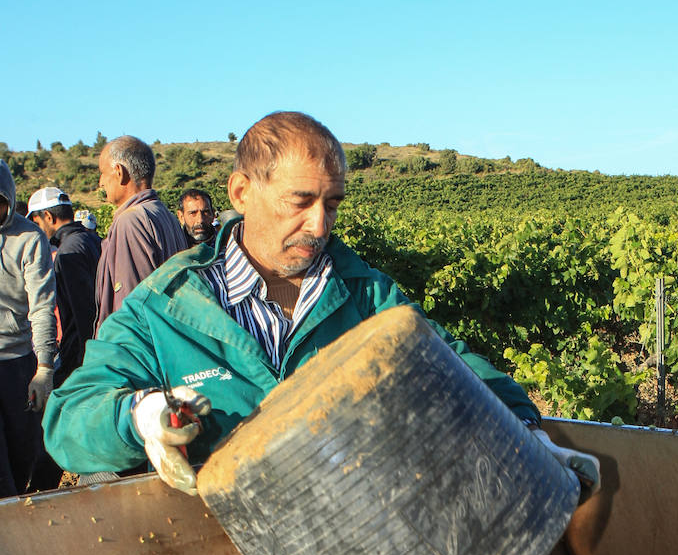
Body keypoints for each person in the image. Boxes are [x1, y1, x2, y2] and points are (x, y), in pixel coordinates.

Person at [44, 112, 599, 499]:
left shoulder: (366, 295)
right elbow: (67, 420)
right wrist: (137, 417)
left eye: (331, 203)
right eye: (300, 201)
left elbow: (458, 368)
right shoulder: (165, 308)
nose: (319, 225)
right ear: (241, 193)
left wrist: (526, 431)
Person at [0, 161, 58, 497]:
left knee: (24, 453)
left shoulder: (28, 238)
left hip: (17, 363)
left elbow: (42, 306)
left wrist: (44, 369)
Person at [95, 135, 187, 327]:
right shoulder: (165, 215)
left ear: (119, 172)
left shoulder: (130, 221)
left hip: (138, 351)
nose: (100, 182)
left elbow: (132, 308)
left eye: (103, 173)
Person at [27, 186, 100, 384]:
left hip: (81, 357)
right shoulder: (90, 238)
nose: (36, 230)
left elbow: (83, 313)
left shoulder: (68, 251)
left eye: (36, 222)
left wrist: (82, 364)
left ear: (48, 217)